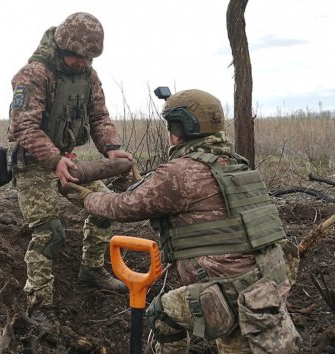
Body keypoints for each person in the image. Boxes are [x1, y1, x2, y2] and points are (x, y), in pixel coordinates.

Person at [62, 89, 301, 353]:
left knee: (161, 315)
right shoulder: (233, 163)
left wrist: (86, 197)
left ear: (180, 128)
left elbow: (122, 208)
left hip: (232, 290)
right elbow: (175, 198)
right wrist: (140, 184)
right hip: (269, 281)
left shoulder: (179, 173)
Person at [7, 12, 132, 311]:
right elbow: (24, 126)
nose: (81, 62)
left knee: (103, 206)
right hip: (33, 163)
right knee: (50, 231)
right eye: (76, 56)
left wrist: (111, 147)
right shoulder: (34, 74)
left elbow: (99, 116)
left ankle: (91, 270)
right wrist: (53, 160)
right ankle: (38, 303)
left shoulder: (88, 75)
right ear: (62, 46)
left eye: (88, 57)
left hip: (66, 159)